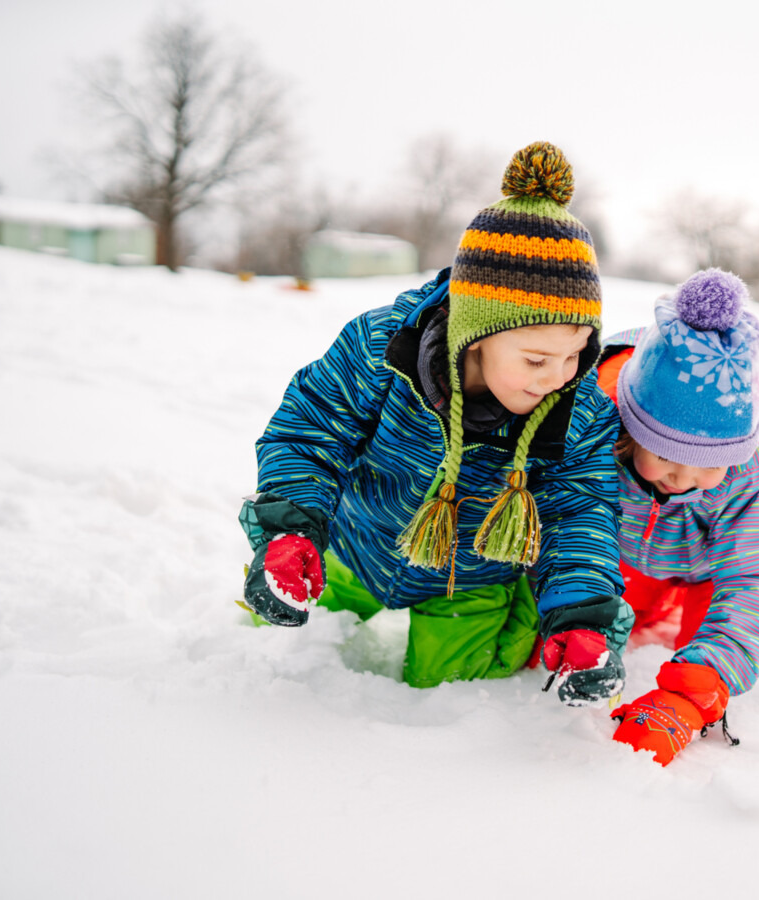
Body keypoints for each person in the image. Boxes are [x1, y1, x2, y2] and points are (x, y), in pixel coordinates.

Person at [238, 142, 632, 704]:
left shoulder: (579, 408)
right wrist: (292, 531)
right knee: (271, 633)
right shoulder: (381, 349)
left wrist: (579, 615)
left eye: (573, 355)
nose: (556, 377)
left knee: (447, 694)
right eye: (536, 360)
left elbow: (579, 512)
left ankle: (523, 621)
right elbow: (310, 432)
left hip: (469, 582)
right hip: (353, 546)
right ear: (475, 332)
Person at [595, 268, 759, 765]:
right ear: (630, 427)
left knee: (735, 635)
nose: (681, 478)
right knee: (603, 616)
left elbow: (758, 578)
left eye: (707, 465)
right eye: (663, 456)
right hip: (634, 550)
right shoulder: (595, 422)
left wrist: (688, 697)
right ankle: (655, 593)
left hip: (727, 562)